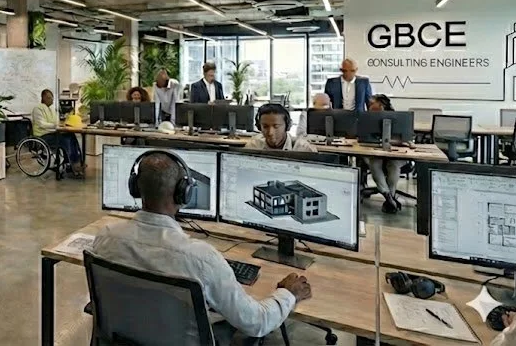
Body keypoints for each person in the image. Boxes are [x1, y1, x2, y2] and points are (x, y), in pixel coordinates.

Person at [92, 151, 312, 342]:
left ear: (135, 189)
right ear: (184, 193)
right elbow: (257, 323)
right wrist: (287, 293)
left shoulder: (105, 238)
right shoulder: (201, 258)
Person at [364, 94, 407, 214]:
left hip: (395, 154)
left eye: (372, 104)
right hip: (375, 153)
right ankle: (389, 197)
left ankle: (390, 197)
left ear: (381, 105)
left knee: (393, 165)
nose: (369, 106)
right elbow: (362, 137)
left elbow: (405, 139)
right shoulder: (367, 118)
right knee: (374, 164)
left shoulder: (398, 118)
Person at [32, 89, 84, 177]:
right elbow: (41, 124)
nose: (52, 100)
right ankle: (72, 165)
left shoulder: (52, 109)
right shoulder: (38, 109)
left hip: (53, 132)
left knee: (71, 136)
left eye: (52, 98)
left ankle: (77, 162)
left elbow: (57, 121)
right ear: (44, 98)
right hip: (43, 135)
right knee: (65, 140)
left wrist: (63, 123)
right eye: (49, 98)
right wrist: (55, 126)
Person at [246, 103, 316, 152]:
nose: (270, 133)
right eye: (265, 126)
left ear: (287, 126)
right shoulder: (254, 146)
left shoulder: (303, 149)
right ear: (259, 127)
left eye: (276, 126)